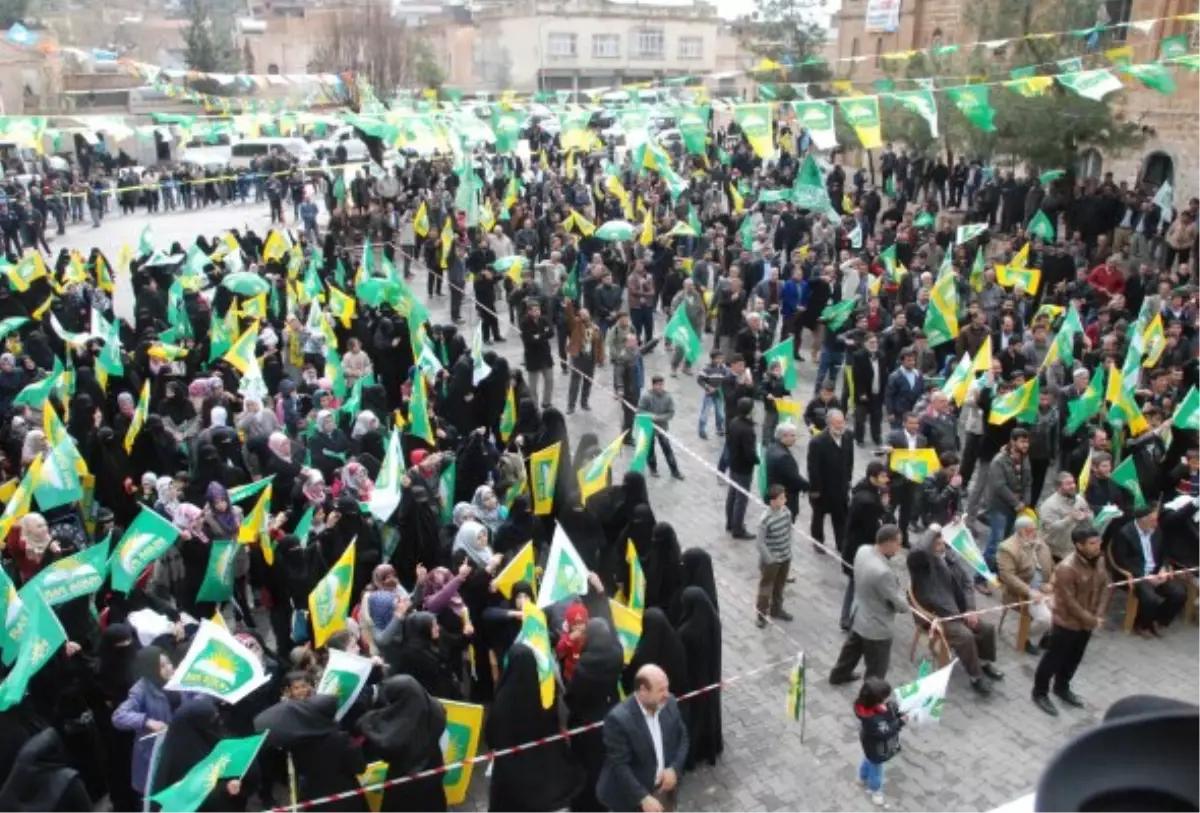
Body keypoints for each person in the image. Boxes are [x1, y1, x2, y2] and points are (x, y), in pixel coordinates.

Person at [907, 526, 1005, 696]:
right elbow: (918, 550)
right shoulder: (921, 564)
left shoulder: (950, 557)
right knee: (965, 636)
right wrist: (934, 528)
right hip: (937, 615)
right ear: (929, 546)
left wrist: (970, 609)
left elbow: (967, 583)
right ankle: (976, 676)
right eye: (937, 544)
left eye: (943, 543)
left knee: (987, 629)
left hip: (958, 610)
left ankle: (982, 662)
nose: (942, 547)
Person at [1031, 526, 1109, 717]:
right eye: (1092, 543)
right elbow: (1070, 602)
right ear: (1079, 546)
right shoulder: (1067, 568)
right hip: (1067, 622)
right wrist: (1092, 619)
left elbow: (1104, 587)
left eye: (1098, 542)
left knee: (1075, 657)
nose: (1097, 546)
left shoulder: (1100, 560)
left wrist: (1098, 614)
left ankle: (1062, 687)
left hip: (1087, 623)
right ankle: (1040, 692)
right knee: (1053, 658)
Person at [595, 664, 689, 813]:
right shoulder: (618, 720)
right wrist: (642, 797)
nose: (667, 694)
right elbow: (619, 765)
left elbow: (682, 737)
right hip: (630, 799)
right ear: (643, 690)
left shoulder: (669, 703)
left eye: (667, 688)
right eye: (661, 690)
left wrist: (674, 769)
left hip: (663, 789)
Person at [830, 524, 907, 684]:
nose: (899, 548)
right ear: (888, 543)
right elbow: (898, 603)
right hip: (876, 626)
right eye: (898, 544)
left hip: (859, 613)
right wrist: (905, 603)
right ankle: (870, 695)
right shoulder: (884, 572)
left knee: (851, 650)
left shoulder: (863, 550)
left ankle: (838, 675)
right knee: (877, 667)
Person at [1110, 505, 1188, 637]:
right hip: (1137, 574)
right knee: (1150, 598)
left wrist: (1164, 567)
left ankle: (1158, 620)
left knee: (1179, 593)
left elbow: (1164, 553)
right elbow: (1121, 560)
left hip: (1156, 571)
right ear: (1142, 520)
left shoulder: (1156, 530)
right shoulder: (1125, 533)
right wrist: (1144, 576)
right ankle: (1142, 624)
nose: (1156, 523)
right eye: (1153, 520)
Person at [840, 461, 891, 631]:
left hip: (858, 546)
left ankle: (850, 616)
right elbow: (874, 530)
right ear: (872, 477)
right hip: (859, 549)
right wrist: (884, 509)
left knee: (856, 583)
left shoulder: (868, 491)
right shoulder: (867, 501)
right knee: (855, 584)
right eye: (882, 476)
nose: (886, 479)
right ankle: (847, 617)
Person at [996, 514, 1057, 653]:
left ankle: (1046, 636)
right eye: (1032, 530)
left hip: (1044, 588)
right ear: (1022, 531)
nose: (1036, 533)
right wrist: (1030, 591)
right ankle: (1025, 637)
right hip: (1023, 592)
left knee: (1063, 609)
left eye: (1035, 529)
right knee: (1046, 618)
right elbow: (1008, 576)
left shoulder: (1039, 542)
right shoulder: (1007, 548)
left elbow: (1053, 567)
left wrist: (1051, 583)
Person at [807, 408, 854, 556]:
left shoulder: (848, 436)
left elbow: (850, 459)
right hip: (823, 487)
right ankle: (818, 542)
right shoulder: (817, 442)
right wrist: (815, 488)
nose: (840, 426)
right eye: (837, 423)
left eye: (842, 422)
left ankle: (841, 543)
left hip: (841, 486)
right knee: (819, 516)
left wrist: (848, 479)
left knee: (840, 516)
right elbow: (813, 468)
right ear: (829, 423)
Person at [854, 676, 906, 808]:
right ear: (876, 701)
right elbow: (886, 731)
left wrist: (898, 712)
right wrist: (901, 722)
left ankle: (862, 777)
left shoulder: (865, 706)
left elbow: (889, 713)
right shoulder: (872, 720)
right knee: (876, 769)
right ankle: (876, 790)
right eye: (884, 698)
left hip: (869, 745)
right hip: (876, 747)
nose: (887, 700)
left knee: (868, 759)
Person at [755, 484, 794, 627]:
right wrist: (770, 559)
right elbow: (760, 543)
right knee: (766, 588)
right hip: (772, 561)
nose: (785, 500)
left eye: (784, 497)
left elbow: (789, 531)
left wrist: (788, 550)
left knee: (780, 585)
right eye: (781, 498)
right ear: (772, 501)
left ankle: (776, 609)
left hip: (785, 557)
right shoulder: (765, 519)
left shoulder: (786, 512)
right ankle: (761, 615)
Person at [1037, 472, 1093, 562]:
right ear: (1059, 487)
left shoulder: (1080, 500)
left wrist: (1087, 516)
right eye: (1068, 484)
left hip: (1075, 549)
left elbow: (1090, 518)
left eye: (1073, 482)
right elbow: (1051, 528)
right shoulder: (1049, 505)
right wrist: (1070, 518)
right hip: (1055, 552)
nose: (1073, 486)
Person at [637, 375, 685, 480]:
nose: (660, 387)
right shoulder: (646, 396)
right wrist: (650, 416)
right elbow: (639, 411)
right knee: (650, 450)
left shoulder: (667, 397)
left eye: (662, 385)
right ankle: (653, 469)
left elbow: (671, 413)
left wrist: (658, 418)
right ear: (653, 385)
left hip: (662, 428)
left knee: (667, 449)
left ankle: (675, 471)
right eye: (658, 385)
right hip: (648, 428)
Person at [724, 397, 758, 539]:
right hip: (744, 468)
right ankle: (738, 529)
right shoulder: (747, 430)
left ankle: (730, 523)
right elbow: (749, 453)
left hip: (734, 464)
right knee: (741, 498)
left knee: (732, 494)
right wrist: (757, 460)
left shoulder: (734, 422)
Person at [764, 422, 810, 520]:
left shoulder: (771, 448)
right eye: (792, 435)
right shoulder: (784, 457)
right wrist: (810, 487)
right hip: (785, 499)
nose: (795, 438)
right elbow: (794, 478)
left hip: (774, 494)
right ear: (784, 436)